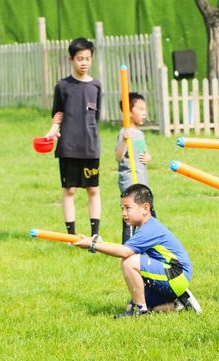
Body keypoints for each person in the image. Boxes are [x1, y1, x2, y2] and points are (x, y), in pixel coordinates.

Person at [73, 183, 201, 317]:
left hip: (176, 275)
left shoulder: (149, 229)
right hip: (171, 276)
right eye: (122, 208)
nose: (124, 213)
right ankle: (179, 302)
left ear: (145, 208)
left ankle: (142, 311)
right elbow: (124, 248)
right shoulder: (145, 227)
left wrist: (92, 245)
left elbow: (124, 252)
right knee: (131, 306)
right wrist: (95, 242)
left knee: (128, 262)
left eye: (128, 208)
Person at [45, 38, 103, 238]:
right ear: (71, 59)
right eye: (80, 59)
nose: (84, 62)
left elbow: (95, 117)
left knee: (93, 189)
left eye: (87, 58)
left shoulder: (96, 86)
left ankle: (95, 234)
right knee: (69, 190)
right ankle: (71, 235)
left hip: (90, 147)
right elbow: (58, 112)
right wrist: (53, 129)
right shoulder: (63, 86)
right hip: (68, 146)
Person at [116, 93, 152, 243]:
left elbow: (143, 152)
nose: (144, 113)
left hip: (142, 182)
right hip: (130, 181)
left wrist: (148, 157)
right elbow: (118, 156)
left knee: (148, 216)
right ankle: (128, 246)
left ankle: (148, 245)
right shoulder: (125, 133)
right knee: (130, 217)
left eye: (145, 109)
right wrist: (124, 141)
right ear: (129, 112)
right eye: (140, 109)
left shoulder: (140, 134)